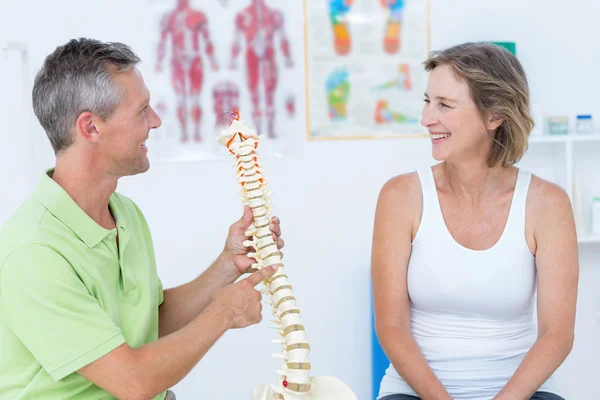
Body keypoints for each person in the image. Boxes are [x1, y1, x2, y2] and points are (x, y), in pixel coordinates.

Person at [0, 38, 283, 400]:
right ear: (90, 128)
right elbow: (133, 382)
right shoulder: (34, 252)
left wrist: (229, 266)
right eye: (142, 110)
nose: (155, 121)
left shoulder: (124, 213)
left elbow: (148, 326)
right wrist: (223, 314)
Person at [371, 42, 578, 400]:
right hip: (416, 392)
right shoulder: (400, 196)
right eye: (427, 101)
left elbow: (556, 334)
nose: (426, 118)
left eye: (445, 105)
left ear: (494, 116)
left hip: (521, 392)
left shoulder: (548, 204)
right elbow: (392, 327)